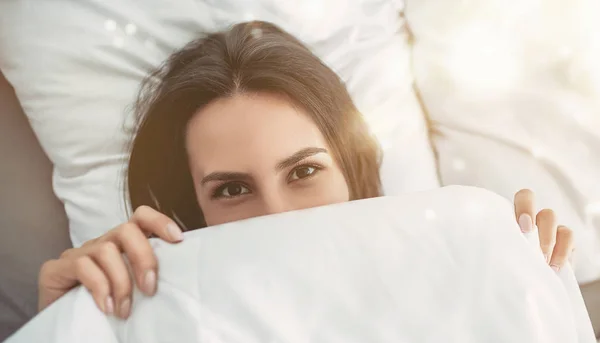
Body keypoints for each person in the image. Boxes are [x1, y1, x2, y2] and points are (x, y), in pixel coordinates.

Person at [37, 21, 574, 320]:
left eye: (302, 173)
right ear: (193, 210)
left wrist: (539, 304)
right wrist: (64, 340)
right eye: (232, 189)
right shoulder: (156, 324)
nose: (279, 216)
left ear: (350, 168)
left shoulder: (460, 289)